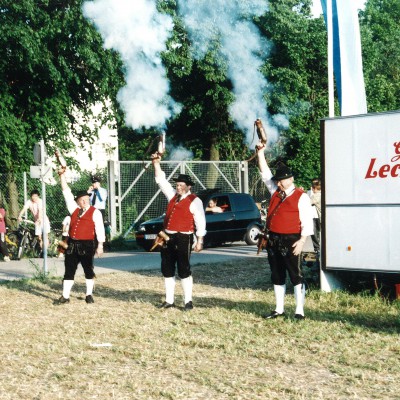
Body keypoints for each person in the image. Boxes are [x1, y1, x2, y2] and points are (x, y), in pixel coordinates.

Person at [256, 144, 313, 320]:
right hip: (274, 238)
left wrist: (302, 241)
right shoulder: (275, 191)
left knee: (296, 275)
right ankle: (279, 309)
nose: (278, 183)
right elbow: (266, 174)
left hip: (292, 239)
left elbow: (307, 221)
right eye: (278, 181)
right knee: (277, 273)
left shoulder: (301, 196)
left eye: (281, 180)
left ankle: (299, 310)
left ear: (291, 179)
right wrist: (260, 153)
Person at [152, 154, 206, 311]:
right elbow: (161, 181)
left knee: (184, 268)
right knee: (167, 267)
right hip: (167, 236)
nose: (178, 187)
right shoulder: (172, 197)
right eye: (177, 184)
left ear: (189, 186)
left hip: (184, 237)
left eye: (182, 185)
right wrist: (156, 163)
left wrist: (200, 240)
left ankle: (188, 301)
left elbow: (200, 221)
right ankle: (169, 300)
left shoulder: (195, 200)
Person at [56, 168, 105, 305]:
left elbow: (100, 229)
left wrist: (100, 245)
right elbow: (66, 192)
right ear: (77, 201)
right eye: (81, 200)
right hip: (72, 244)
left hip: (87, 244)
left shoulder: (95, 213)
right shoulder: (74, 209)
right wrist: (62, 176)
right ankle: (65, 296)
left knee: (88, 269)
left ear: (88, 199)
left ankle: (89, 294)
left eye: (85, 199)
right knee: (69, 269)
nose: (84, 202)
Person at [308, 178, 321, 254]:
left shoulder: (316, 196)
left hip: (319, 218)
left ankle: (317, 249)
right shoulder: (323, 194)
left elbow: (307, 203)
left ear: (314, 188)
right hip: (317, 217)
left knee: (314, 233)